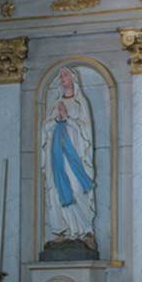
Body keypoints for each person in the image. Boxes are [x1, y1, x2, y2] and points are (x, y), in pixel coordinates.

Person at [42, 66, 96, 244]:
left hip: (75, 157)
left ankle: (84, 231)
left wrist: (68, 119)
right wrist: (57, 119)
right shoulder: (55, 104)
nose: (62, 77)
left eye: (65, 74)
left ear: (74, 78)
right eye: (60, 75)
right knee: (57, 190)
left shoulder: (81, 103)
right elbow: (45, 129)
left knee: (76, 188)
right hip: (58, 156)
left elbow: (86, 129)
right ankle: (63, 230)